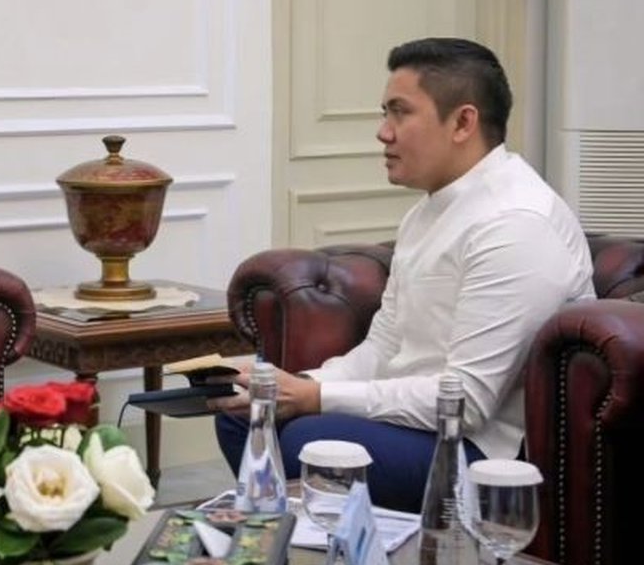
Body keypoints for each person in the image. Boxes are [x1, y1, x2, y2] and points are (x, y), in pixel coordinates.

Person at [213, 37, 595, 512]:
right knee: (245, 412)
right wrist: (289, 384)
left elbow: (468, 403)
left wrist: (317, 398)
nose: (383, 132)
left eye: (400, 113)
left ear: (463, 123)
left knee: (308, 440)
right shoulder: (427, 212)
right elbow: (383, 348)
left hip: (481, 449)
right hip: (419, 422)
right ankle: (302, 539)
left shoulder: (516, 224)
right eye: (385, 113)